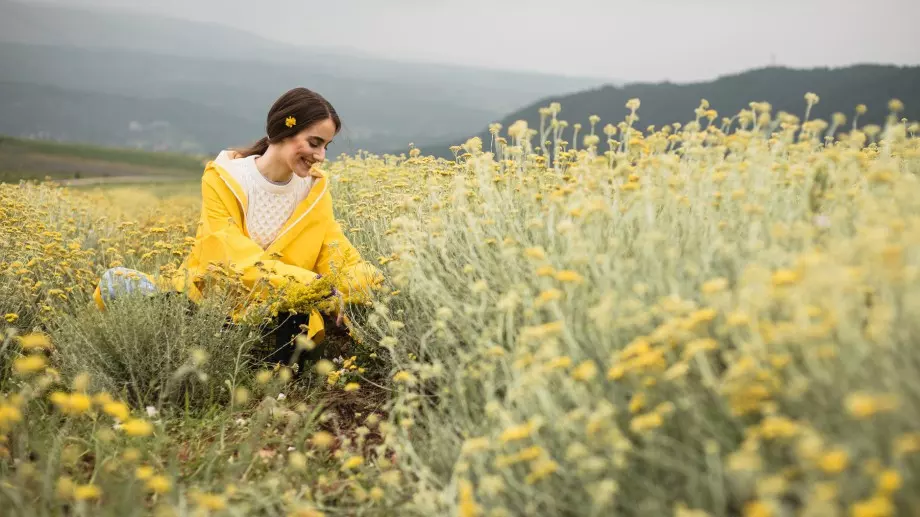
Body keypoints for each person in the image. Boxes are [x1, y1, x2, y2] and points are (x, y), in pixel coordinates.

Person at [91, 87, 384, 361]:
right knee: (115, 281)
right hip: (211, 302)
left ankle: (218, 346)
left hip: (280, 308)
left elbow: (336, 253)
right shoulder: (225, 179)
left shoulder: (315, 190)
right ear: (284, 129)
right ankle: (203, 334)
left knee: (298, 323)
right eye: (314, 143)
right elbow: (229, 256)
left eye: (325, 147)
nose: (319, 156)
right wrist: (315, 287)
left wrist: (373, 283)